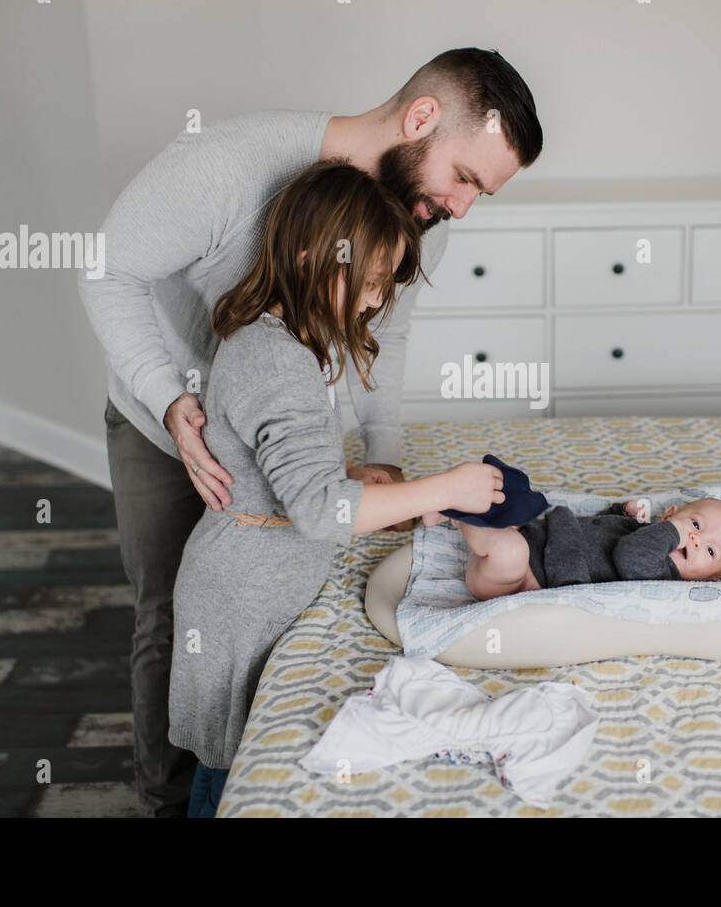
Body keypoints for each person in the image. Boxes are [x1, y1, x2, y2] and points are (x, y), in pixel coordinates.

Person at [78, 47, 543, 816]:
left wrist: (382, 460)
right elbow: (104, 269)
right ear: (421, 119)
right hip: (165, 408)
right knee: (172, 611)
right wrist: (169, 401)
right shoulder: (229, 165)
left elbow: (384, 336)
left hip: (278, 435)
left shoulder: (413, 214)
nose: (463, 207)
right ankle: (167, 798)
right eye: (466, 177)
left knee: (251, 604)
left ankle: (235, 766)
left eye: (481, 194)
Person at [169, 160, 506, 817]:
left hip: (256, 579)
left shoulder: (285, 339)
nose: (379, 301)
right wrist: (446, 485)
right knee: (231, 774)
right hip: (240, 599)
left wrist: (355, 476)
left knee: (232, 759)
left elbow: (282, 471)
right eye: (374, 281)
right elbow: (320, 510)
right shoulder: (276, 362)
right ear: (313, 257)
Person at [424, 497, 721, 600]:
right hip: (536, 534)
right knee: (515, 498)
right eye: (695, 525)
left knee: (509, 552)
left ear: (707, 581)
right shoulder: (647, 532)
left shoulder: (661, 575)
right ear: (669, 513)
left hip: (516, 579)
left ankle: (461, 516)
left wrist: (675, 530)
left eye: (710, 552)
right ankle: (470, 504)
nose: (694, 540)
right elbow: (597, 533)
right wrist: (620, 512)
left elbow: (628, 556)